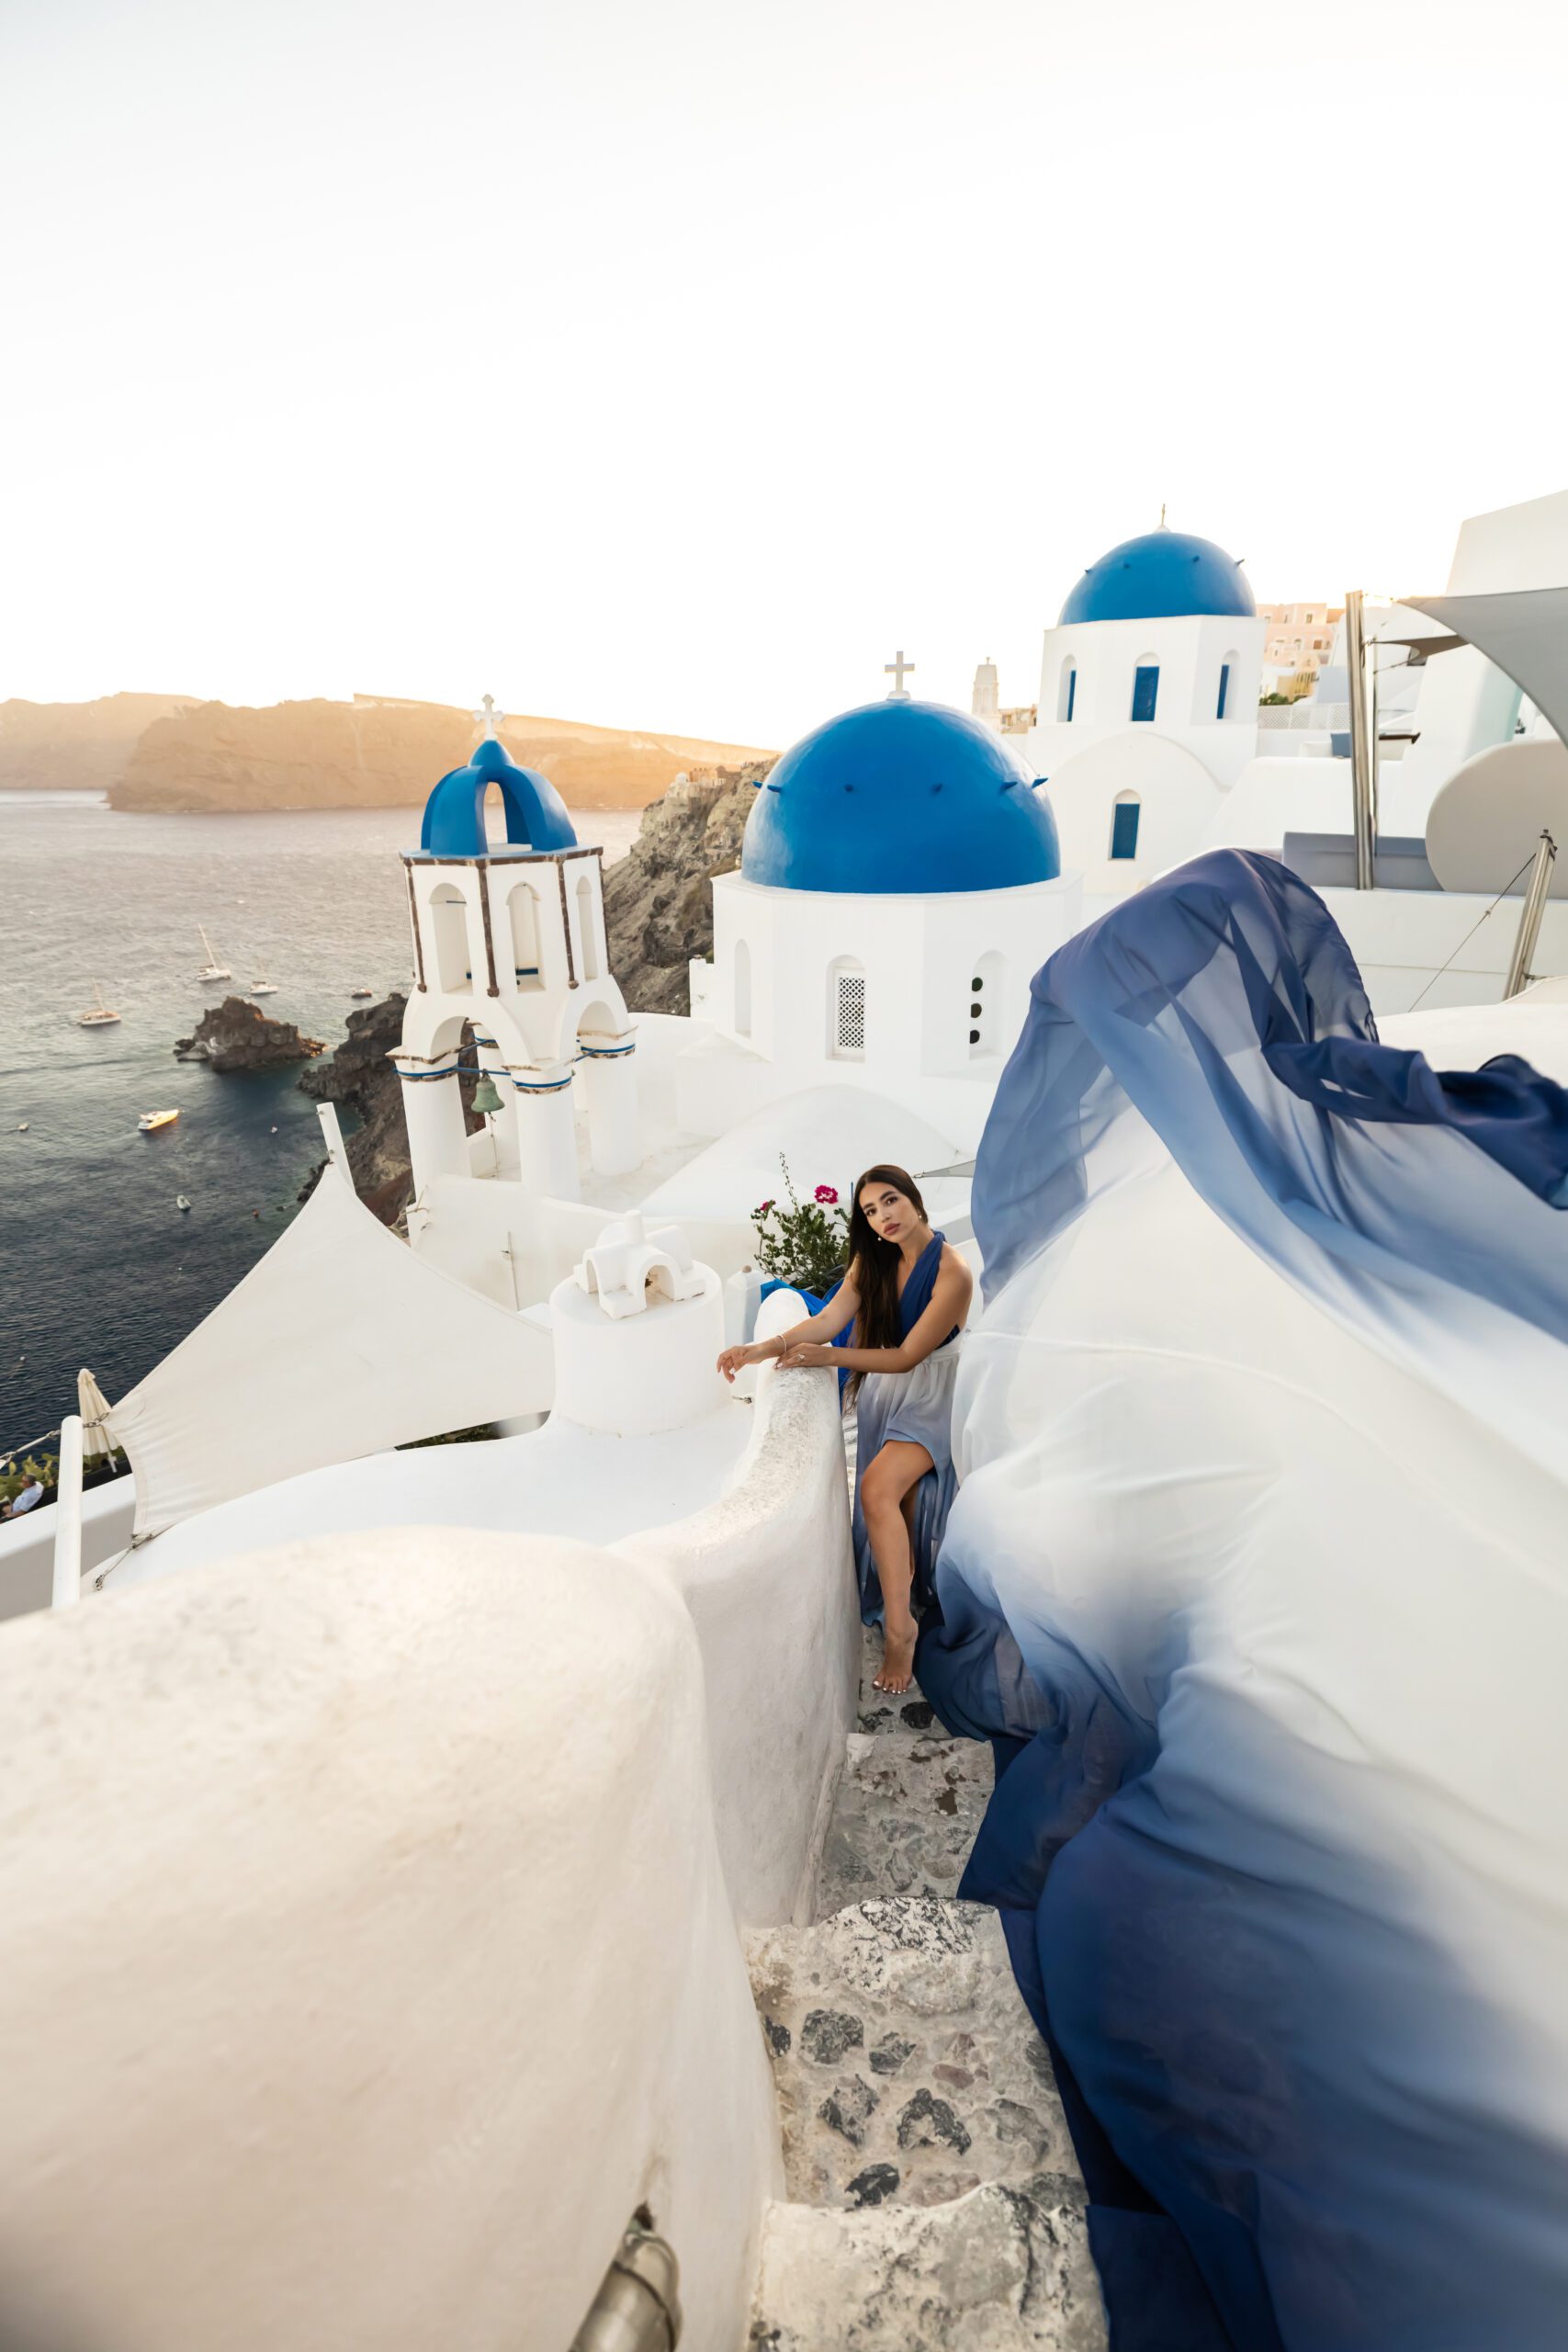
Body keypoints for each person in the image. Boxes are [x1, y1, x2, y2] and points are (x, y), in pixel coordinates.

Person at [718, 1162, 972, 1695]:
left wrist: (828, 1357)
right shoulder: (873, 1260)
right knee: (894, 1500)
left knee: (879, 1487)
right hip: (888, 1390)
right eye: (870, 1211)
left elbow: (905, 1356)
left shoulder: (953, 1273)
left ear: (914, 1199)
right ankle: (906, 1593)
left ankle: (902, 1632)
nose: (883, 1217)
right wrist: (759, 1349)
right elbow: (828, 1320)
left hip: (935, 1394)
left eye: (890, 1201)